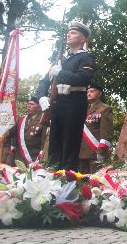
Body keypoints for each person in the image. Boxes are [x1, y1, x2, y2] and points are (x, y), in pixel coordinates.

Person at [37, 21, 95, 171]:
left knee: (69, 146)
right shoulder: (60, 60)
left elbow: (83, 78)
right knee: (54, 145)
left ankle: (67, 181)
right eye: (69, 32)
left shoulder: (86, 57)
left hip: (74, 105)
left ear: (83, 39)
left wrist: (60, 73)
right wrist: (42, 97)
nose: (69, 34)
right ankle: (52, 178)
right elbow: (44, 81)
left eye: (74, 32)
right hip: (57, 105)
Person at [79, 84, 114, 174]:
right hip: (80, 153)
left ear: (99, 94)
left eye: (92, 91)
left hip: (94, 153)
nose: (89, 94)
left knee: (93, 182)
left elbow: (106, 133)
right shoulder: (83, 109)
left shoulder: (105, 109)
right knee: (80, 182)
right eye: (87, 92)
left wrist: (101, 152)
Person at [11, 97, 44, 165]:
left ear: (39, 106)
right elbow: (13, 135)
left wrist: (41, 157)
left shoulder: (43, 120)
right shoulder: (21, 120)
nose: (29, 106)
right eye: (28, 104)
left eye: (32, 104)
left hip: (35, 158)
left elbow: (44, 141)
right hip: (20, 159)